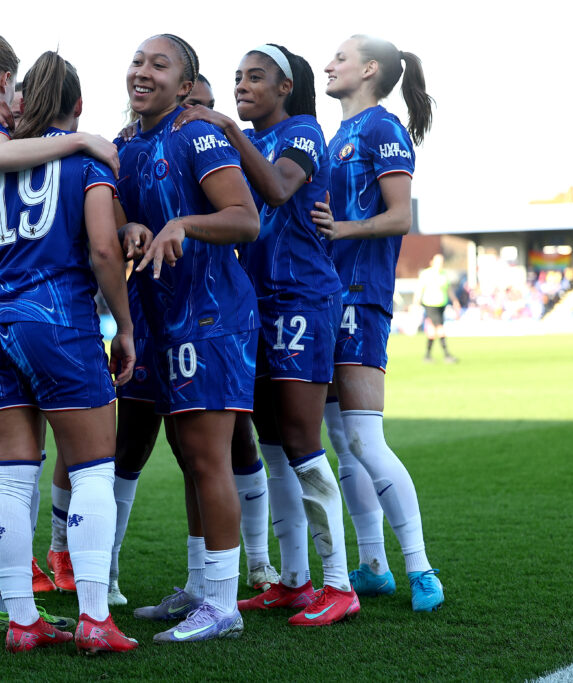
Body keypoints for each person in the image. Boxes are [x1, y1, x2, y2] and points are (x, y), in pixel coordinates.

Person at [0, 51, 138, 654]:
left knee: (12, 474)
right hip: (58, 323)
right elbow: (101, 251)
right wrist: (124, 327)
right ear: (78, 106)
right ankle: (94, 619)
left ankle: (21, 619)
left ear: (22, 103)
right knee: (92, 469)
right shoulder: (86, 159)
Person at [175, 43, 358, 626]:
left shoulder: (303, 131)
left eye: (256, 77)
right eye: (237, 78)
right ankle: (296, 581)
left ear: (286, 88)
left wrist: (226, 127)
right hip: (258, 304)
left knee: (303, 443)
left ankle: (340, 583)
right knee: (276, 448)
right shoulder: (245, 145)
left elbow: (278, 192)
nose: (241, 86)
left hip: (302, 299)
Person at [108, 71, 277, 608]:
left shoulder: (197, 135)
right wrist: (127, 227)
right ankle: (201, 585)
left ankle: (224, 605)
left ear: (183, 85)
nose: (141, 70)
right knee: (189, 456)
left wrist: (184, 223)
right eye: (137, 59)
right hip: (162, 319)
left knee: (208, 458)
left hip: (211, 316)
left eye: (158, 63)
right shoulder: (123, 145)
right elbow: (115, 217)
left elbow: (246, 219)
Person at [314, 34, 444, 612]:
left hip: (359, 296)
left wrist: (342, 230)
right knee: (343, 442)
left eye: (339, 58)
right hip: (323, 298)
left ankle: (420, 568)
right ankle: (372, 565)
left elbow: (398, 217)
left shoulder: (381, 129)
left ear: (369, 69)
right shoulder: (337, 135)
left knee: (365, 437)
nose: (328, 64)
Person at [413, 253, 461, 362]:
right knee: (440, 328)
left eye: (442, 262)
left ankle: (427, 355)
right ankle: (447, 354)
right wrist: (415, 302)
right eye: (438, 262)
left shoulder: (444, 274)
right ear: (432, 262)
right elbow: (419, 289)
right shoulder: (426, 274)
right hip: (430, 304)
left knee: (432, 330)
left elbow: (448, 289)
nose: (440, 264)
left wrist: (455, 301)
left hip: (441, 305)